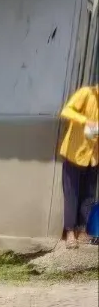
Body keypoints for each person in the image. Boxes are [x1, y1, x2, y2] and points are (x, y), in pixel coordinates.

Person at [57, 79, 99, 245]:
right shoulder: (86, 93)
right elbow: (66, 111)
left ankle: (82, 230)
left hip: (94, 157)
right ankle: (69, 233)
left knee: (88, 196)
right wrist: (85, 120)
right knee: (72, 194)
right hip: (75, 153)